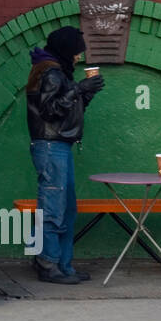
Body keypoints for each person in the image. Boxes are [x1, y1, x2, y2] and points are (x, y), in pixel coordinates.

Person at [27, 26, 104, 283]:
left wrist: (86, 94)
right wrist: (79, 90)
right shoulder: (50, 73)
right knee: (54, 207)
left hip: (58, 145)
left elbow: (66, 109)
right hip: (50, 146)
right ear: (66, 49)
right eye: (77, 52)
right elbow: (49, 110)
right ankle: (49, 264)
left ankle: (63, 265)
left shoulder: (57, 72)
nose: (79, 57)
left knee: (67, 208)